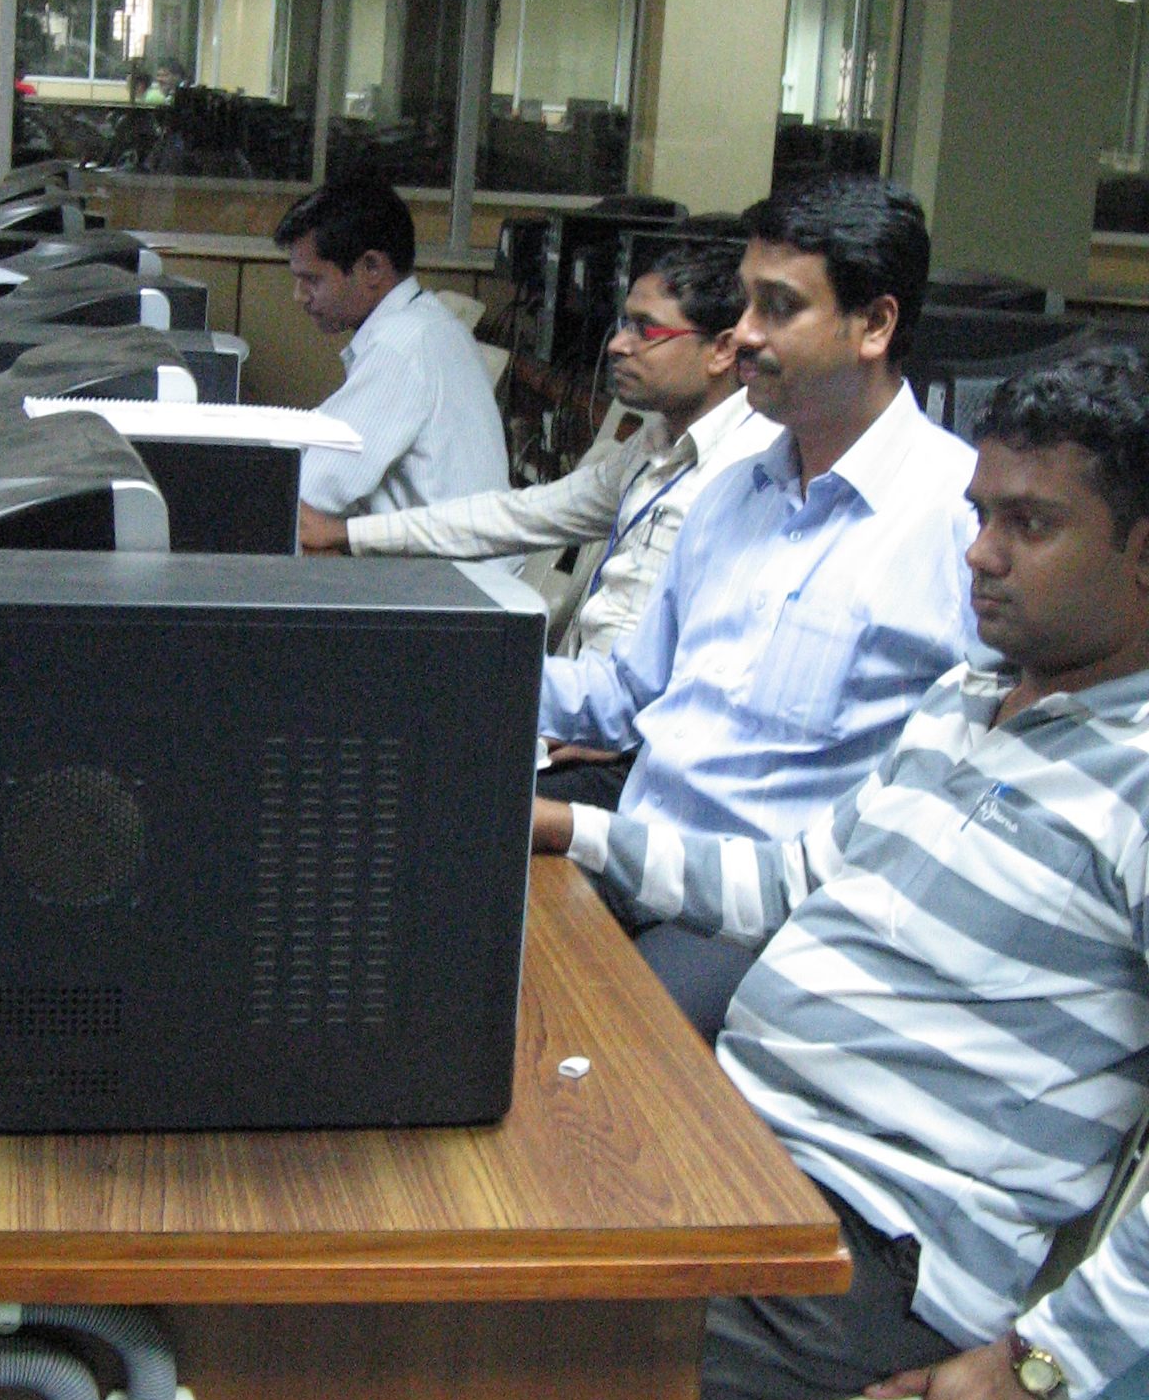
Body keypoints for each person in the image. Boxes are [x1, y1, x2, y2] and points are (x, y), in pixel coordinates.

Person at [575, 341, 1149, 1400]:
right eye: (980, 515)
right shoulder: (965, 697)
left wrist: (1043, 1360)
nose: (980, 554)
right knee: (481, 1214)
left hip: (879, 1240)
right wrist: (576, 833)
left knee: (512, 1340)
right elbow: (789, 879)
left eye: (1032, 524)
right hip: (745, 1146)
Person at [531, 174, 978, 1036]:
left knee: (594, 1045)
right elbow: (627, 693)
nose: (742, 334)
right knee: (443, 940)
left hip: (763, 916)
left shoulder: (960, 522)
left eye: (779, 307)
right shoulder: (733, 492)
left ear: (875, 326)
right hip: (632, 853)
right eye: (746, 303)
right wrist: (462, 674)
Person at [299, 240, 774, 659]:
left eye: (645, 330)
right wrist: (347, 534)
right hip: (585, 697)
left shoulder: (751, 473)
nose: (617, 345)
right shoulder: (655, 443)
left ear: (722, 350)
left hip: (620, 719)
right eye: (624, 324)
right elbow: (518, 515)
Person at [275, 178, 509, 521]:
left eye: (312, 279)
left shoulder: (400, 347)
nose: (299, 296)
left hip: (439, 556)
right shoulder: (429, 323)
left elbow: (308, 492)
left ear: (372, 267)